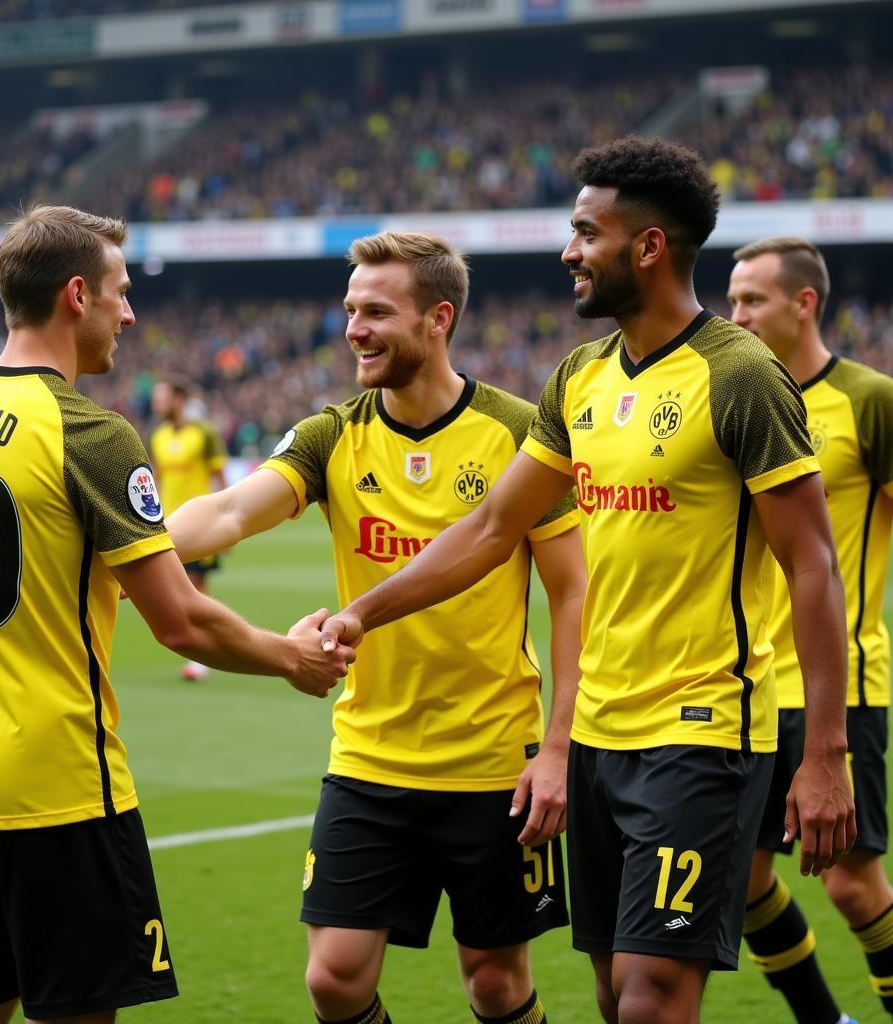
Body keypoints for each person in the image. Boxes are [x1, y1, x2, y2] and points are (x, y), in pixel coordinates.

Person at [317, 138, 857, 1024]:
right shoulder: (579, 377)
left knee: (651, 998)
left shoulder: (741, 376)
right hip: (601, 736)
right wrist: (361, 615)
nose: (568, 250)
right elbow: (494, 527)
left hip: (704, 728)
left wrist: (825, 752)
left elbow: (813, 563)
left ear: (645, 248)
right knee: (612, 996)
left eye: (584, 232)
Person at [0, 204, 354, 1024]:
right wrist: (291, 658)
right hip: (58, 784)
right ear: (76, 295)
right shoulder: (90, 433)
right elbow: (182, 623)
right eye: (121, 293)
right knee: (81, 1009)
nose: (130, 313)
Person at [167, 230, 585, 1024]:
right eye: (350, 309)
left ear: (438, 318)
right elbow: (226, 510)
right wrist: (130, 548)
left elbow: (572, 596)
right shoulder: (332, 434)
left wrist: (558, 748)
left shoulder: (521, 435)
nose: (354, 327)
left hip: (493, 757)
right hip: (370, 753)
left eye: (376, 311)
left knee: (495, 984)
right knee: (334, 979)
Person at [729, 236, 893, 1024]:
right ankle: (825, 1022)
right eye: (730, 300)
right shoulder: (734, 397)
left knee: (850, 881)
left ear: (804, 303)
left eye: (752, 300)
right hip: (750, 687)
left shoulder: (868, 400)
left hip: (843, 685)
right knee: (746, 877)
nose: (736, 315)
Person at [149, 375, 229, 681]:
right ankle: (199, 652)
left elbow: (220, 477)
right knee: (174, 591)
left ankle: (204, 658)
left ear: (179, 400)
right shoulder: (158, 436)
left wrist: (225, 524)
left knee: (196, 589)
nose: (157, 404)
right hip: (167, 526)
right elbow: (156, 480)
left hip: (200, 524)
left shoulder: (204, 434)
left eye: (162, 397)